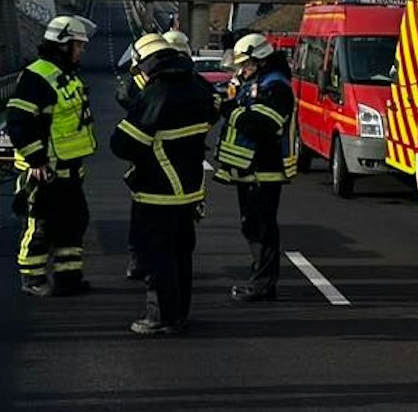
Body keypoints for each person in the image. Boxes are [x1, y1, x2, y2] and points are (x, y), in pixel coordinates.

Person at [110, 32, 216, 335]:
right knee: (182, 254)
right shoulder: (198, 86)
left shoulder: (157, 94)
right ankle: (179, 313)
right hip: (190, 187)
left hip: (157, 189)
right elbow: (213, 111)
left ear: (146, 63)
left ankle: (160, 317)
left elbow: (123, 144)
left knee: (157, 256)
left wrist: (135, 107)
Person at [5, 15, 96, 297]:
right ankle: (32, 279)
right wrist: (36, 160)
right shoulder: (36, 76)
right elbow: (18, 120)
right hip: (44, 171)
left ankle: (68, 278)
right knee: (40, 226)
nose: (81, 51)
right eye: (78, 46)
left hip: (70, 169)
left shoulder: (65, 74)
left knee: (73, 223)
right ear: (63, 44)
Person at [214, 32, 297, 302]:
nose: (242, 69)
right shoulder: (256, 81)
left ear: (260, 60)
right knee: (252, 225)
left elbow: (265, 122)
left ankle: (262, 284)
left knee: (261, 227)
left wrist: (232, 111)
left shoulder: (276, 87)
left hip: (264, 169)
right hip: (250, 169)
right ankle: (259, 276)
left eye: (246, 64)